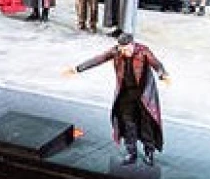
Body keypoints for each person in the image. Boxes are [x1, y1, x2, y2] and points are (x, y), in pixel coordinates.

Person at [67, 33, 171, 166]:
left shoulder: (143, 51)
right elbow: (98, 59)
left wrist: (163, 74)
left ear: (132, 45)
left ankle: (149, 152)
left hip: (143, 95)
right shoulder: (116, 51)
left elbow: (156, 64)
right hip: (125, 94)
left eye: (126, 49)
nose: (123, 52)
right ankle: (131, 152)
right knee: (128, 124)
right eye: (121, 49)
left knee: (147, 125)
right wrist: (77, 69)